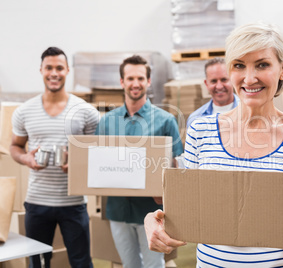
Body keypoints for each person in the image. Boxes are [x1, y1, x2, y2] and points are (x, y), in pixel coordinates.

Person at [144, 22, 283, 267]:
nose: (249, 78)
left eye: (262, 64)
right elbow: (189, 208)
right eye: (239, 65)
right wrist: (150, 220)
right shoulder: (201, 130)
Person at [10, 47, 99, 268]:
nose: (54, 73)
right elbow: (15, 146)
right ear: (41, 70)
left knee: (81, 262)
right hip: (37, 203)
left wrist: (77, 163)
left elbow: (98, 154)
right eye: (49, 68)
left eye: (59, 68)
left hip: (74, 203)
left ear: (67, 70)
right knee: (38, 264)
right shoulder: (24, 111)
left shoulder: (85, 111)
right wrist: (26, 160)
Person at [95, 55, 184, 268]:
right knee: (129, 265)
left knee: (154, 265)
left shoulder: (165, 120)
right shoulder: (107, 122)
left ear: (148, 81)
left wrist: (164, 191)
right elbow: (97, 162)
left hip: (151, 211)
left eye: (141, 78)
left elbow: (179, 166)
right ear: (122, 82)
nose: (136, 84)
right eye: (130, 78)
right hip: (118, 210)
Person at [186, 57, 239, 129]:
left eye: (224, 80)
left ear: (232, 79)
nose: (219, 86)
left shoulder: (249, 111)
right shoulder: (195, 119)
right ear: (206, 84)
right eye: (213, 81)